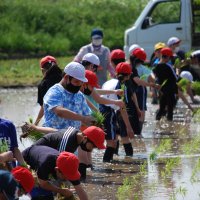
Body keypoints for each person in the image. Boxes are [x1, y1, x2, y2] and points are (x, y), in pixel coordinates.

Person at [23, 146, 88, 200]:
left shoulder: (70, 166)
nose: (68, 178)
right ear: (57, 169)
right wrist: (61, 190)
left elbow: (80, 190)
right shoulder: (45, 163)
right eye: (66, 176)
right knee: (41, 196)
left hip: (44, 161)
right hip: (25, 161)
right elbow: (43, 184)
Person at [100, 62, 134, 162]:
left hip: (103, 108)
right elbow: (123, 109)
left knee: (113, 140)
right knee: (112, 142)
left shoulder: (109, 82)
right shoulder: (122, 87)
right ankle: (106, 163)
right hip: (108, 111)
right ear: (128, 76)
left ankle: (110, 162)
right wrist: (129, 127)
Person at [43, 61, 94, 129]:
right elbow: (59, 111)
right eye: (76, 81)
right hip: (54, 138)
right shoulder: (55, 92)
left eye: (81, 82)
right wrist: (83, 118)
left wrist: (95, 124)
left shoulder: (79, 95)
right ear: (66, 77)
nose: (79, 84)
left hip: (73, 137)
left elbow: (87, 116)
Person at [34, 55, 62, 125]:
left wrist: (35, 124)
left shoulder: (43, 84)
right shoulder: (65, 78)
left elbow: (44, 106)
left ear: (42, 70)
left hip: (53, 125)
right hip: (73, 121)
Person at [152, 47, 178, 121]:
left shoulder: (156, 66)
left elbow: (157, 79)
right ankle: (170, 126)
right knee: (170, 109)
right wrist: (177, 71)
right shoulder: (168, 66)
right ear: (168, 57)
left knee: (161, 109)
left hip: (162, 91)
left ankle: (157, 124)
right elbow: (176, 78)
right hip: (170, 90)